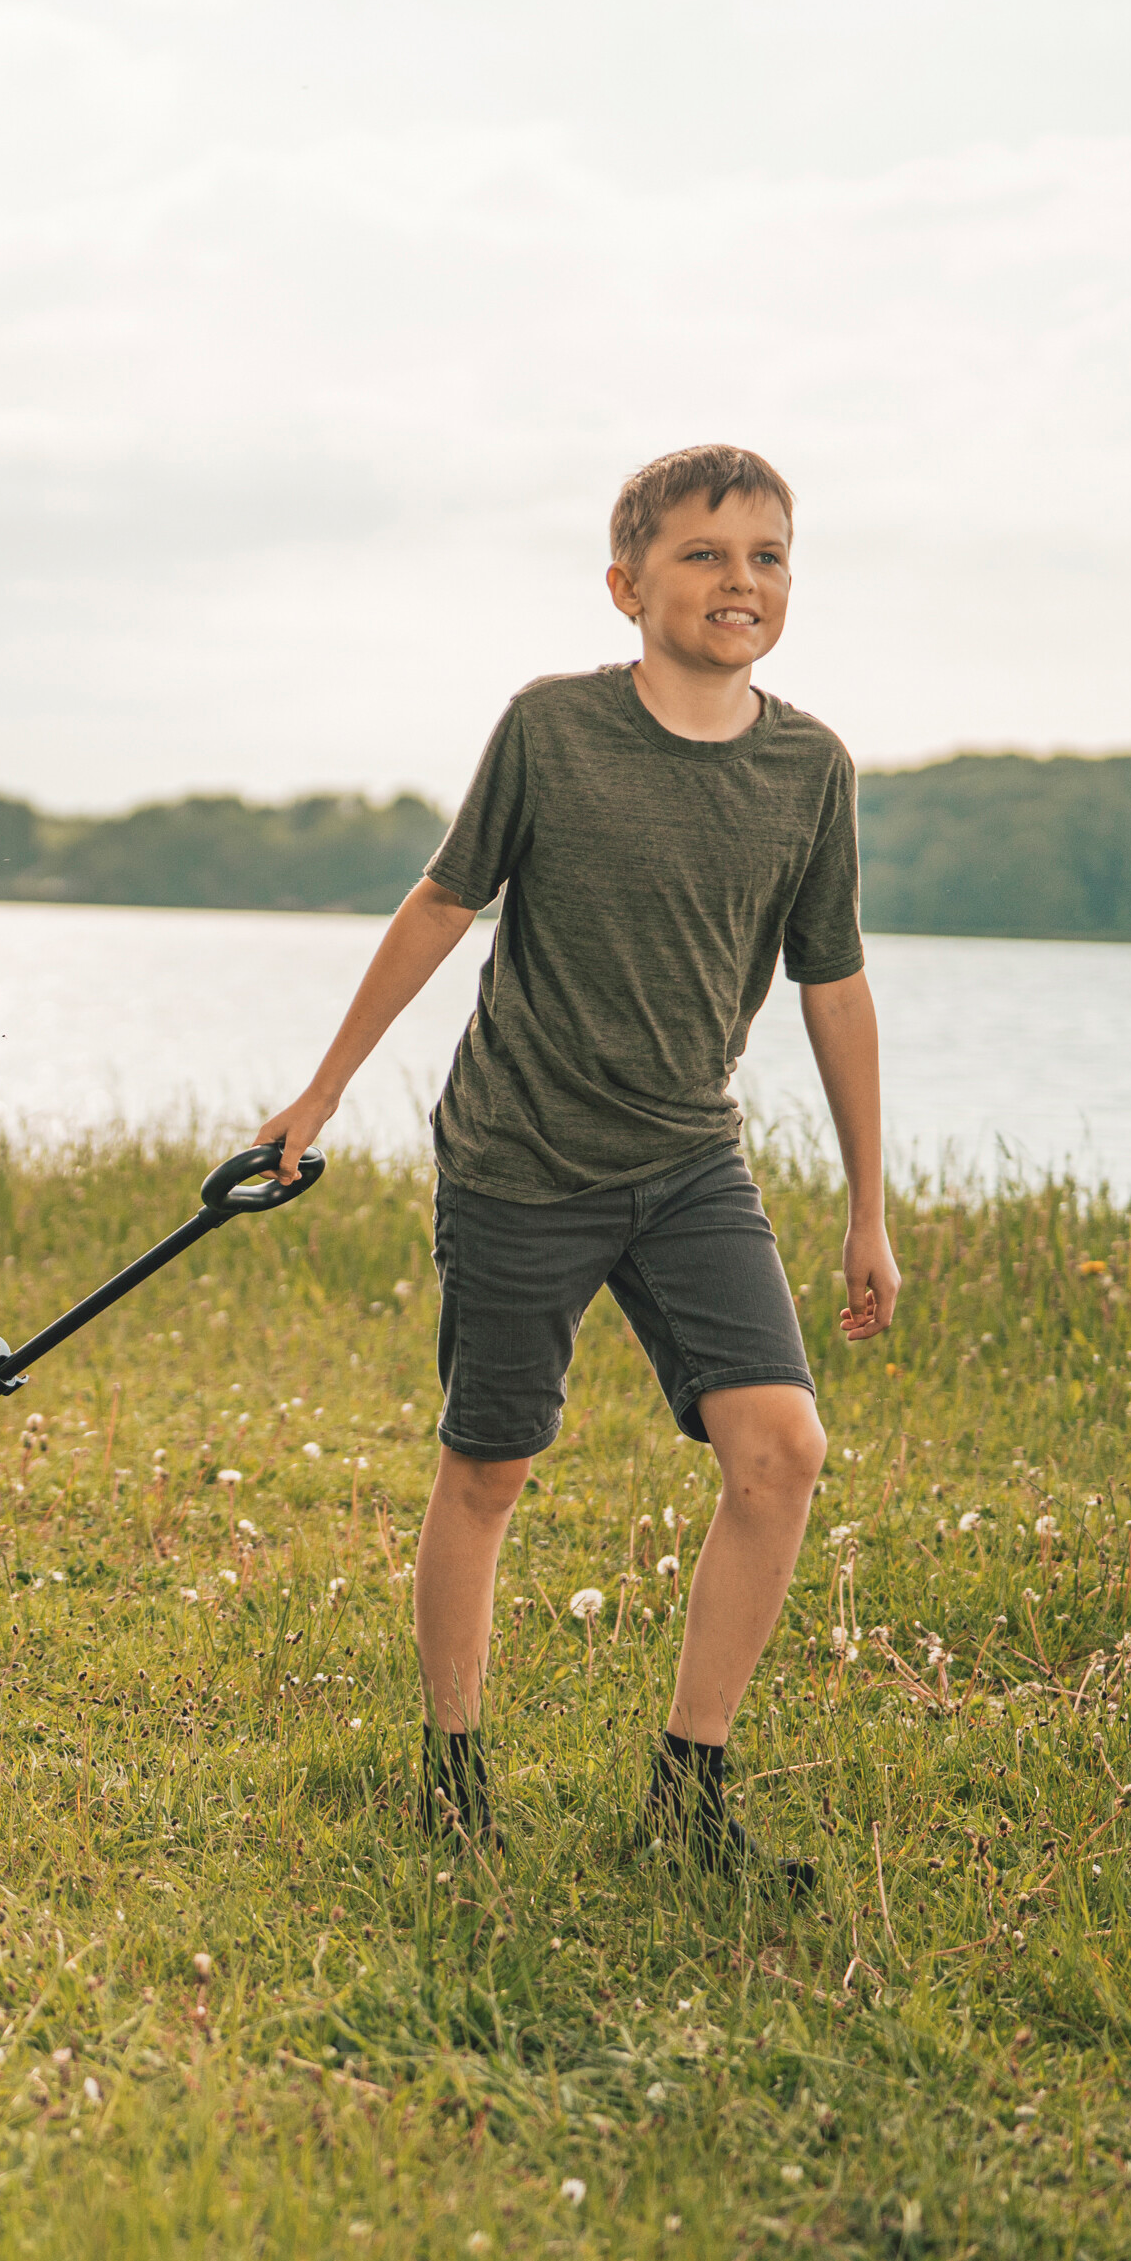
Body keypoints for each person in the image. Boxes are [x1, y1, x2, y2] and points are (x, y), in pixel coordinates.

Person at [254, 445, 893, 1889]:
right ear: (628, 585)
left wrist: (867, 1208)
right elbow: (441, 904)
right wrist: (322, 1090)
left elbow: (835, 988)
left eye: (769, 558)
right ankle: (457, 1770)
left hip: (686, 1163)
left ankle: (690, 1791)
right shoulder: (552, 731)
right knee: (488, 1468)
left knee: (781, 1450)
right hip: (520, 1160)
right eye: (707, 555)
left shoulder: (811, 771)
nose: (742, 582)